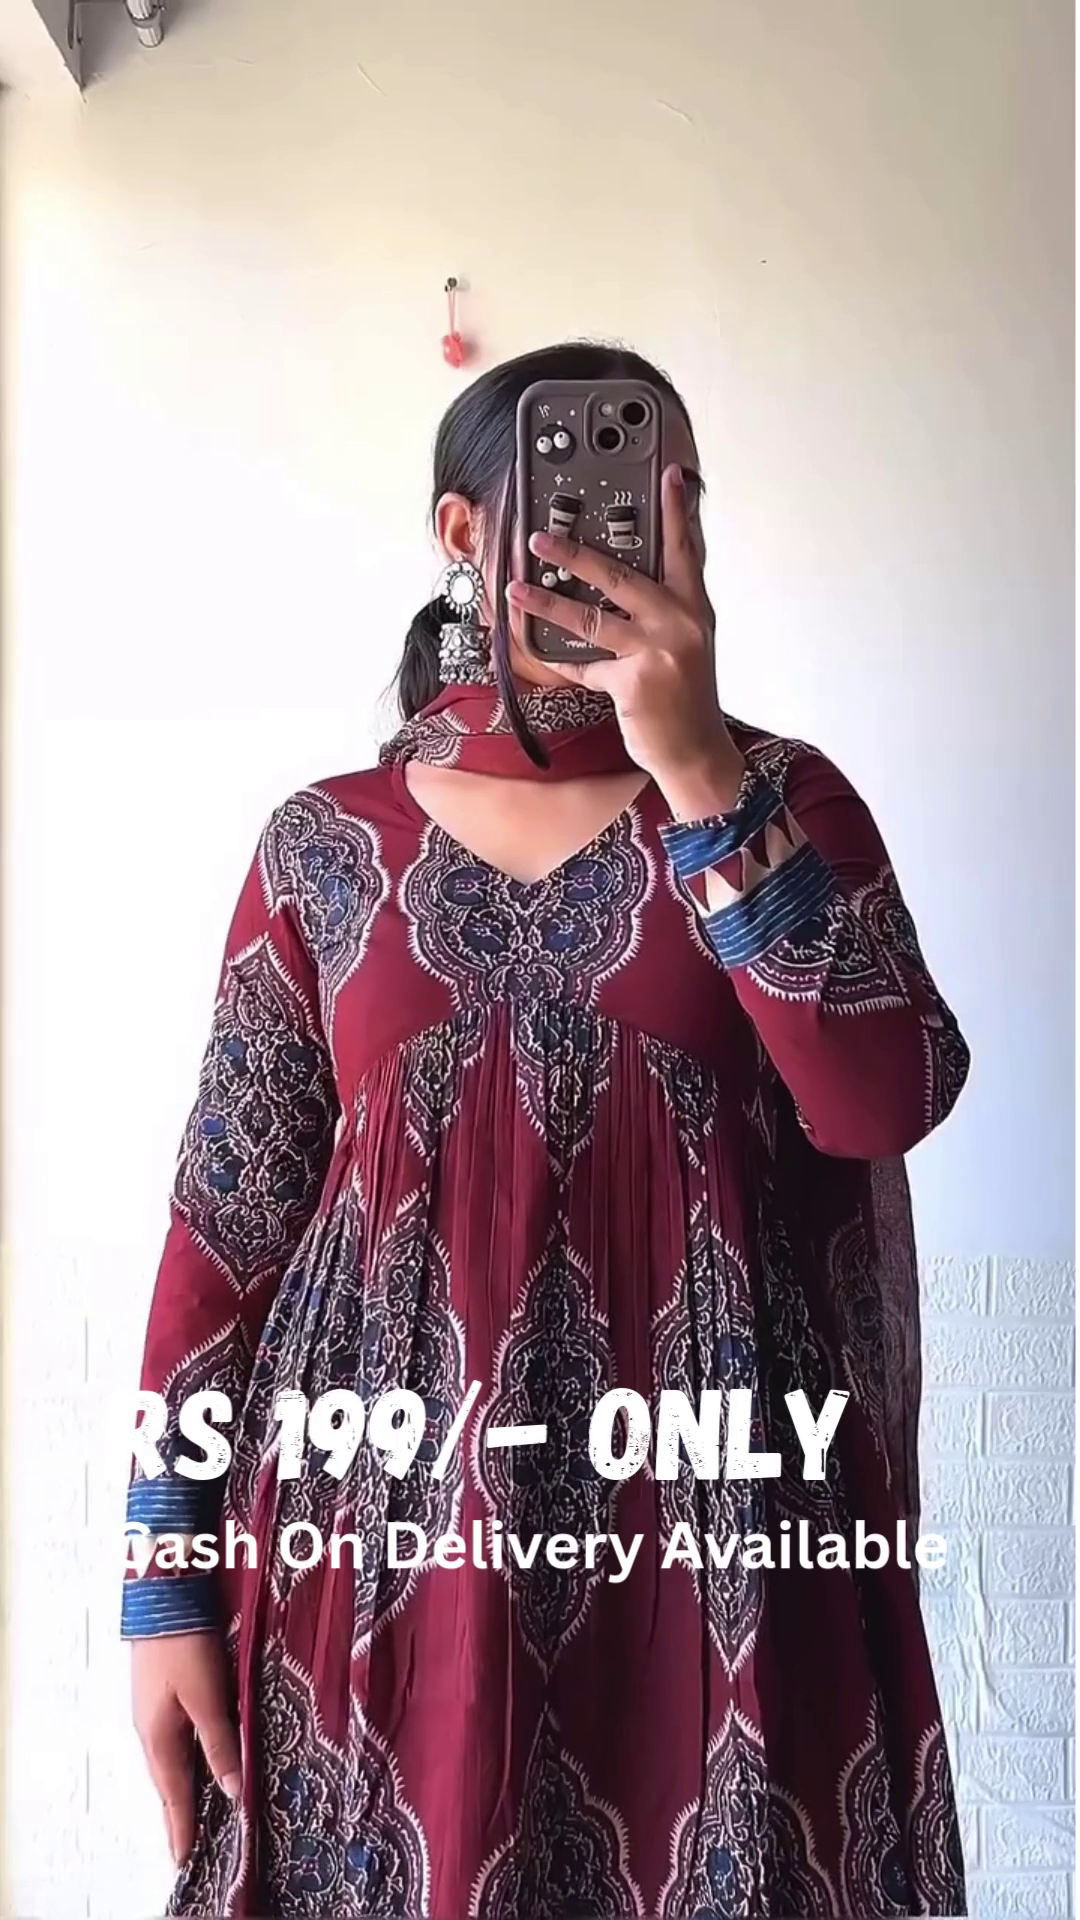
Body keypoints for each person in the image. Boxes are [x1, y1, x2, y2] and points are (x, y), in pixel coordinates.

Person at [123, 340, 970, 1919]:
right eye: (583, 499)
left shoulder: (788, 801)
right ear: (465, 533)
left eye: (665, 500)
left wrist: (700, 773)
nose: (628, 533)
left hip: (721, 1556)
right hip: (382, 1557)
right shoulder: (324, 847)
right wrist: (162, 1581)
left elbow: (883, 1096)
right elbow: (224, 1232)